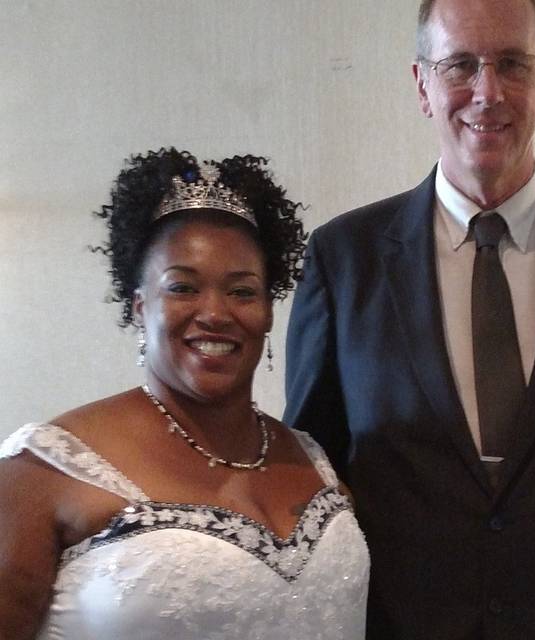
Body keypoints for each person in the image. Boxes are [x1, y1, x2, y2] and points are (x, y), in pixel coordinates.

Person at [283, 0, 535, 637]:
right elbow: (310, 472)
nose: (488, 91)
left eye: (512, 64)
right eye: (460, 65)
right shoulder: (343, 259)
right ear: (422, 84)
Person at [0, 149, 369, 640]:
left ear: (267, 312)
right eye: (182, 288)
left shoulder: (314, 462)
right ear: (139, 307)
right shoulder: (42, 473)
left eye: (242, 292)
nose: (215, 313)